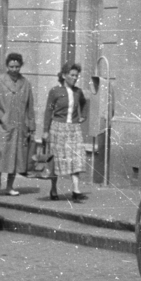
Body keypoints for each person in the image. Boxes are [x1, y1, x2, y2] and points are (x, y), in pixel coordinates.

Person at [0, 52, 34, 196]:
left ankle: (10, 186)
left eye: (17, 66)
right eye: (11, 66)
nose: (14, 69)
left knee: (16, 158)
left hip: (19, 127)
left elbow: (30, 107)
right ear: (7, 66)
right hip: (1, 127)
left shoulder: (26, 84)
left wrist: (31, 127)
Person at [41, 62, 89, 202]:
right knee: (57, 160)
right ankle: (54, 189)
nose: (75, 78)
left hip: (74, 129)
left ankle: (76, 189)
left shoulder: (78, 92)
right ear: (64, 76)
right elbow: (48, 110)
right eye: (72, 75)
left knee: (77, 157)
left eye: (76, 75)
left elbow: (84, 104)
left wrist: (83, 116)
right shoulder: (55, 91)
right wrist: (45, 131)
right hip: (58, 128)